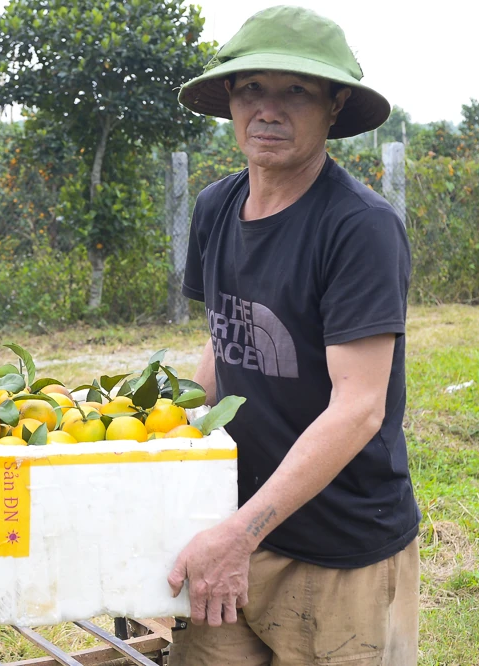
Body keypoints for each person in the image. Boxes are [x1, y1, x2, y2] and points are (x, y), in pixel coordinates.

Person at [166, 7, 420, 665]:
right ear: (229, 100)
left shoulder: (358, 227)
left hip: (340, 546)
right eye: (252, 89)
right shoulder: (215, 206)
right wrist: (172, 443)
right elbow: (225, 342)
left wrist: (240, 534)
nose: (268, 110)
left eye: (295, 91)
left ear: (334, 107)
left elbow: (359, 407)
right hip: (234, 526)